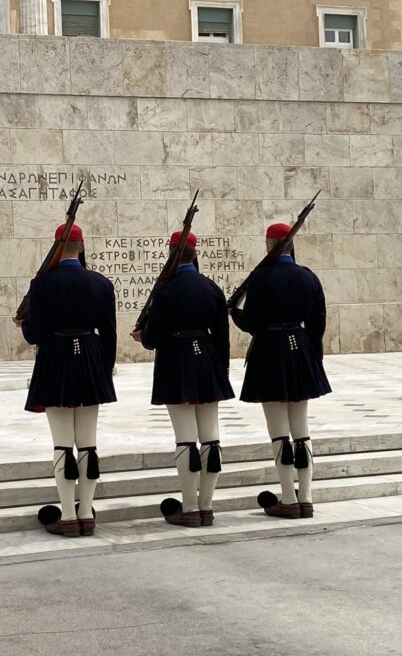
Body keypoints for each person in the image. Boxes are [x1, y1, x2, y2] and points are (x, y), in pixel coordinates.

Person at [16, 223, 116, 538]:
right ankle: (86, 513)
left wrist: (22, 323)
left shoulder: (42, 284)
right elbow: (110, 334)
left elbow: (34, 334)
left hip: (56, 358)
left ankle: (69, 516)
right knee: (88, 443)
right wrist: (104, 370)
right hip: (90, 357)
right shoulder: (101, 283)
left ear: (57, 247)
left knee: (62, 443)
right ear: (82, 245)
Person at [230, 223, 331, 519]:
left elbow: (252, 323)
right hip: (301, 350)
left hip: (270, 352)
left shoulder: (261, 277)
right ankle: (306, 497)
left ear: (269, 244)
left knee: (279, 433)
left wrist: (234, 313)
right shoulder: (308, 276)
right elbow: (317, 323)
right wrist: (313, 358)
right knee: (301, 431)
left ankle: (288, 498)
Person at [135, 231, 233, 528]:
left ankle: (190, 507)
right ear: (195, 253)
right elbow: (223, 336)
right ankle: (207, 506)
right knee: (211, 438)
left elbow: (154, 337)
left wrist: (142, 337)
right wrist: (221, 371)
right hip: (208, 360)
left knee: (186, 439)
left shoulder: (166, 291)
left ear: (171, 254)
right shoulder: (212, 288)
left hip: (177, 361)